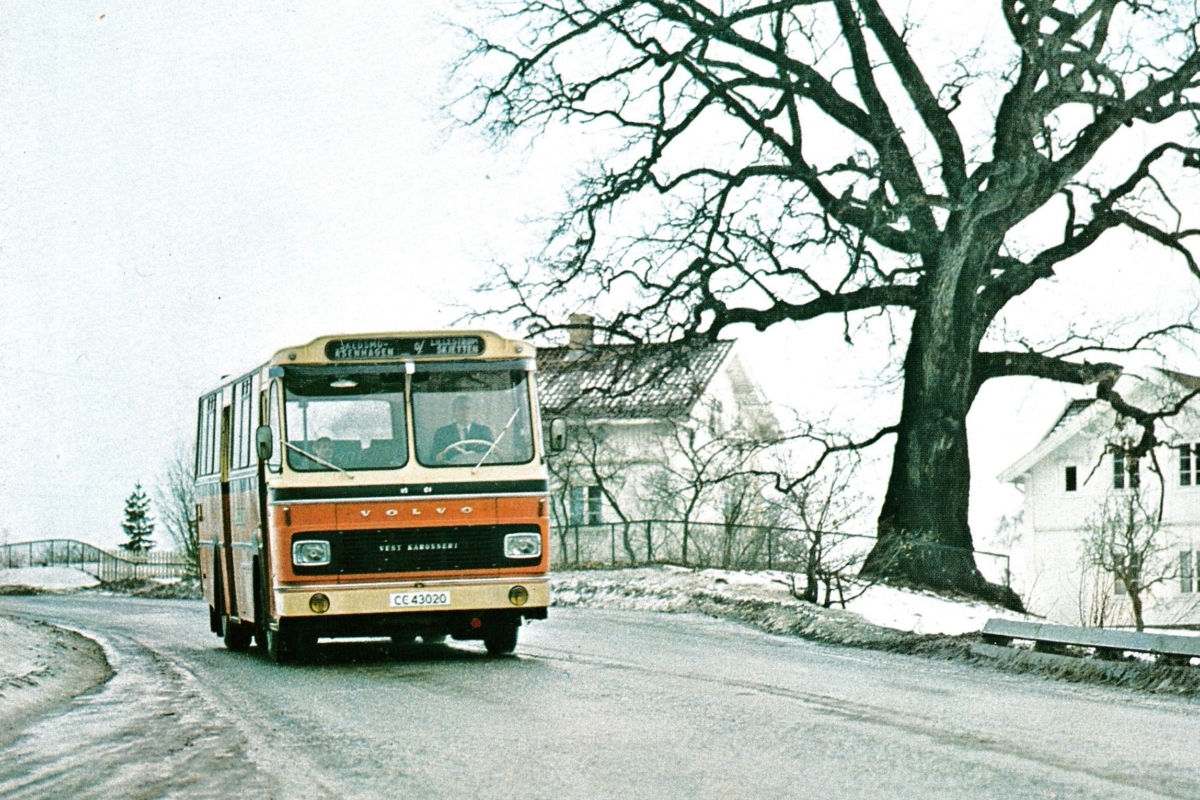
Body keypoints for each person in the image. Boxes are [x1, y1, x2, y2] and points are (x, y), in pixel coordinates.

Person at [430, 395, 493, 463]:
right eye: (461, 409)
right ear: (454, 412)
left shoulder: (484, 431)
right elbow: (434, 456)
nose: (465, 412)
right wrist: (439, 456)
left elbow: (492, 452)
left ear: (473, 411)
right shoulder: (443, 432)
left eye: (468, 408)